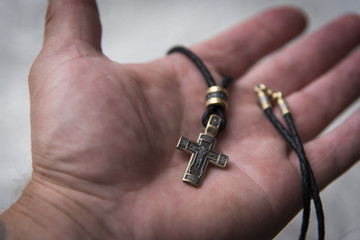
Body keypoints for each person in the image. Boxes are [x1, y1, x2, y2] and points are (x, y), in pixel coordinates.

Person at [0, 0, 359, 239]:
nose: (202, 147)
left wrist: (56, 214)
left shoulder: (207, 142)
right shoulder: (201, 141)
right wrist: (69, 202)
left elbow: (209, 152)